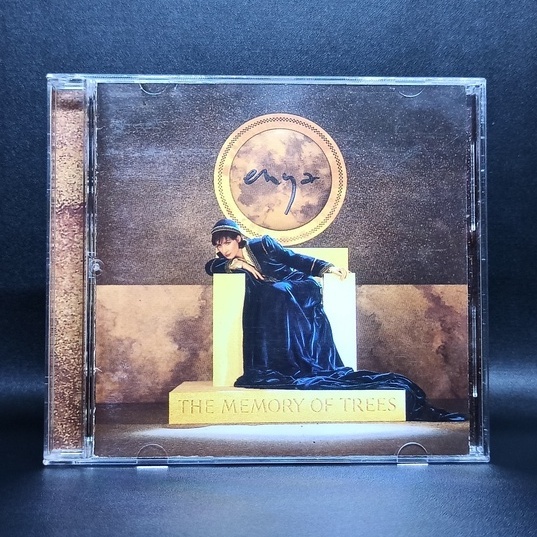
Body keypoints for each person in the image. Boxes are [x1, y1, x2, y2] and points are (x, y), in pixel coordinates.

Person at [205, 219, 466, 422]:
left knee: (279, 292)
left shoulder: (262, 244)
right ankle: (281, 356)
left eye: (227, 243)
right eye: (218, 246)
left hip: (298, 286)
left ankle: (299, 355)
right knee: (273, 294)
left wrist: (325, 267)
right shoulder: (227, 261)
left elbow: (293, 259)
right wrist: (236, 265)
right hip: (278, 294)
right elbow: (209, 267)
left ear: (238, 239)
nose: (223, 249)